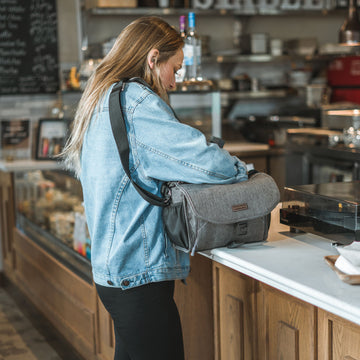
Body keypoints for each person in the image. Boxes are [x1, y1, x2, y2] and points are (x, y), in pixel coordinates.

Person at [62, 16, 248, 360]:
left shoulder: (105, 96)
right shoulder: (136, 103)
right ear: (152, 59)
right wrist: (244, 170)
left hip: (116, 272)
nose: (175, 82)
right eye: (174, 69)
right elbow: (209, 164)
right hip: (139, 275)